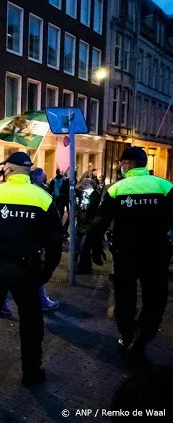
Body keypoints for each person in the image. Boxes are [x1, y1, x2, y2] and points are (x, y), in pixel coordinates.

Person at [0, 152, 62, 390]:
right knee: (31, 323)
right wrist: (46, 272)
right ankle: (31, 372)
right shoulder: (43, 198)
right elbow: (55, 241)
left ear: (9, 169)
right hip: (27, 272)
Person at [83, 146, 173, 360]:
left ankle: (127, 334)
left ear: (127, 164)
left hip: (126, 253)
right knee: (155, 298)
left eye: (121, 163)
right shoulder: (165, 186)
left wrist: (94, 249)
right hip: (157, 254)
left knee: (124, 297)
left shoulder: (117, 189)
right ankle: (142, 337)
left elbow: (100, 222)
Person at [0, 167, 60, 316]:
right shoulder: (37, 194)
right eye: (43, 176)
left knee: (26, 275)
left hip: (25, 243)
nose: (46, 177)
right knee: (27, 275)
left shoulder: (37, 192)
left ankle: (39, 300)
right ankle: (35, 302)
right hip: (29, 244)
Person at [74, 178, 101, 275]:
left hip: (89, 225)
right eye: (83, 183)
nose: (84, 185)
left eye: (87, 183)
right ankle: (79, 266)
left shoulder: (94, 194)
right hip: (81, 224)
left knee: (84, 247)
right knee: (77, 246)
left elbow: (92, 208)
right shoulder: (82, 193)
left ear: (92, 184)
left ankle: (85, 268)